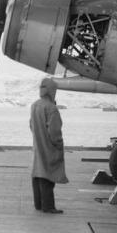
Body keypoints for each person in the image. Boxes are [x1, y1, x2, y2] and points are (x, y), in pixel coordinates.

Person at [30, 77, 68, 214]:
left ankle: (38, 204)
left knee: (38, 172)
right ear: (52, 91)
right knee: (48, 175)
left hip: (37, 143)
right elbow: (54, 131)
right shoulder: (51, 108)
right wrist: (58, 144)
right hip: (49, 146)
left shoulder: (34, 105)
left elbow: (31, 125)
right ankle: (48, 206)